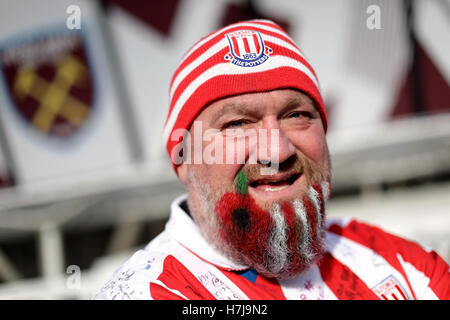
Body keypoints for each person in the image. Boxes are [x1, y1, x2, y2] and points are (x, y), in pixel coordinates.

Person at [94, 20, 450, 300]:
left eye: (296, 115)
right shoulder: (151, 292)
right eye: (237, 124)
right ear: (184, 157)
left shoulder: (397, 263)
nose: (277, 151)